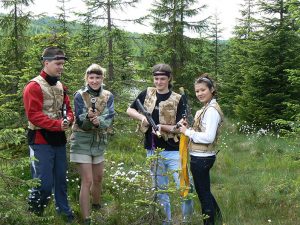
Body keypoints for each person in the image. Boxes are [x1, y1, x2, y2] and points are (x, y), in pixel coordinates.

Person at [126, 63, 193, 224]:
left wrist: (162, 127)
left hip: (174, 150)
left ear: (169, 79)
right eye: (156, 78)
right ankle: (166, 221)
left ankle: (187, 220)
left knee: (185, 189)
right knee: (161, 190)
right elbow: (130, 110)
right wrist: (142, 118)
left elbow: (182, 127)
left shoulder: (178, 98)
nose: (158, 82)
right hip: (152, 149)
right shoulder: (147, 93)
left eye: (162, 79)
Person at [23, 46, 74, 221]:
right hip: (39, 140)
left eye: (62, 64)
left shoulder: (60, 85)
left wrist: (68, 119)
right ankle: (36, 213)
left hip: (59, 139)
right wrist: (58, 125)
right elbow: (34, 115)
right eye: (57, 64)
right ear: (46, 63)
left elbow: (67, 108)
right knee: (43, 183)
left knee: (61, 180)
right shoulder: (33, 86)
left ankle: (64, 213)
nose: (61, 67)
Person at [70, 63, 114, 225]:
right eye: (91, 77)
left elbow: (110, 116)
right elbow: (80, 121)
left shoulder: (108, 95)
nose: (94, 81)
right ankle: (86, 218)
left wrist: (98, 121)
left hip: (99, 141)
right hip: (81, 141)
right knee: (87, 179)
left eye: (98, 77)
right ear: (87, 78)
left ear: (102, 78)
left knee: (98, 178)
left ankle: (96, 205)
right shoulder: (79, 95)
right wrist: (89, 119)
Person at [179, 74, 224, 225]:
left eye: (203, 90)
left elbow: (208, 137)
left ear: (212, 89)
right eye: (197, 91)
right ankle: (218, 218)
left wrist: (187, 132)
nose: (199, 94)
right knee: (205, 191)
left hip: (202, 158)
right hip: (200, 157)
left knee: (203, 194)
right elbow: (202, 131)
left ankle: (209, 222)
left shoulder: (211, 110)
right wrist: (188, 127)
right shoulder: (207, 108)